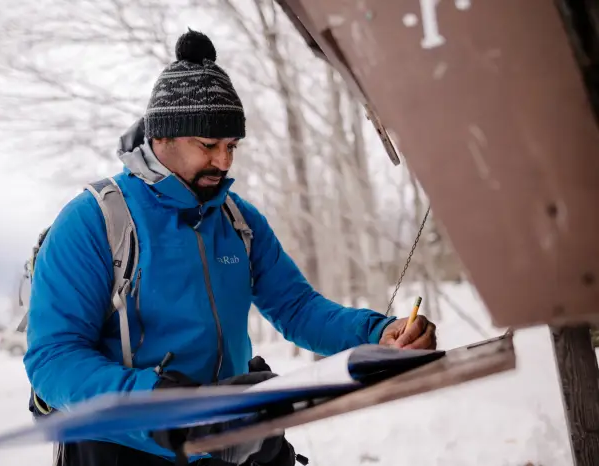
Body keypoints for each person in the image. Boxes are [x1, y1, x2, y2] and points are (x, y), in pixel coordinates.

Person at [23, 29, 437, 466]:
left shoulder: (237, 221)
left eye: (231, 146)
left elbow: (297, 307)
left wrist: (377, 333)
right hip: (129, 448)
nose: (223, 162)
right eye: (208, 146)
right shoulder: (96, 220)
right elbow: (54, 359)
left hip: (233, 444)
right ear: (161, 138)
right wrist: (164, 405)